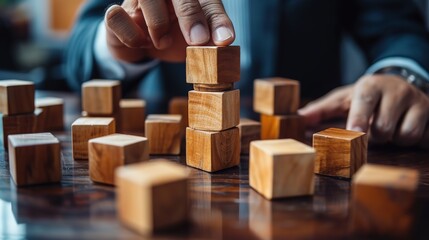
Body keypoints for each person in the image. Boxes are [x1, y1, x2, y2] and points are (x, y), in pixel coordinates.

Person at [65, 0, 429, 148]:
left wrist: (401, 72)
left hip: (306, 139)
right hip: (175, 151)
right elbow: (79, 44)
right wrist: (120, 46)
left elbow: (396, 27)